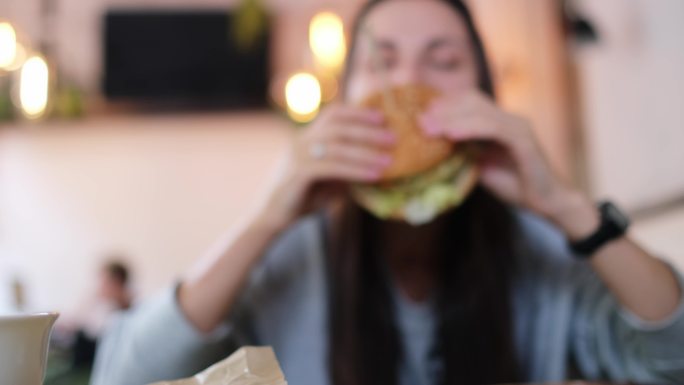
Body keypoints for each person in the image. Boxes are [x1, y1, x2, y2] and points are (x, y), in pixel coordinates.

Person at [91, 1, 684, 385]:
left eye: (444, 60)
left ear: (485, 93)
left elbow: (671, 358)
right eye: (383, 62)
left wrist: (566, 206)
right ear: (344, 99)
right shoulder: (290, 254)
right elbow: (123, 378)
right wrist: (265, 219)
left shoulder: (538, 247)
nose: (409, 84)